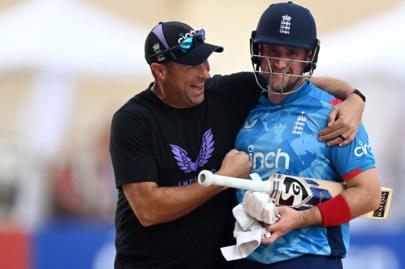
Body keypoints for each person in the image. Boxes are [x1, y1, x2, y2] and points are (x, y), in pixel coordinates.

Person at [109, 20, 365, 269]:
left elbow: (294, 81)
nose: (205, 73)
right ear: (160, 71)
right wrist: (222, 179)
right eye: (191, 67)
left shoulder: (224, 93)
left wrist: (354, 98)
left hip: (222, 263)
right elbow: (148, 209)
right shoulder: (133, 121)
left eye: (205, 61)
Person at [233, 2, 382, 268]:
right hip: (246, 257)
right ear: (258, 50)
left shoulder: (336, 114)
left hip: (309, 258)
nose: (280, 62)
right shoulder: (241, 105)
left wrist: (302, 218)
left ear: (309, 55)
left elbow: (369, 195)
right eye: (272, 51)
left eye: (292, 53)